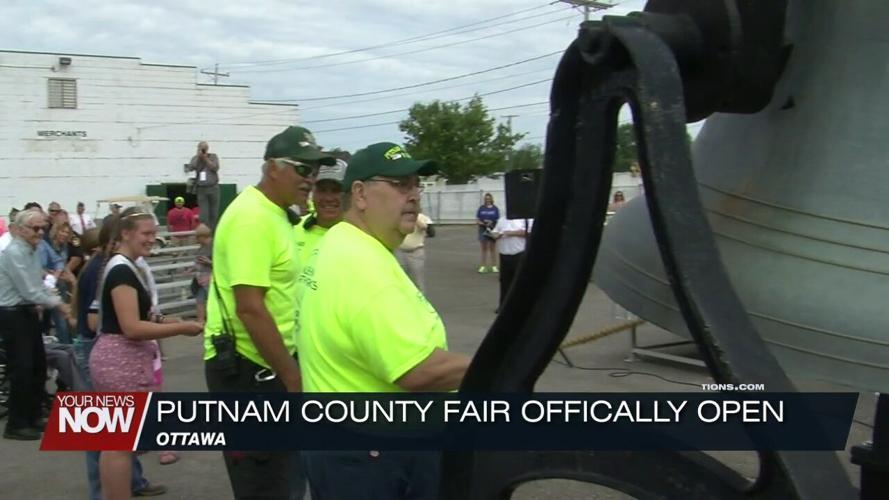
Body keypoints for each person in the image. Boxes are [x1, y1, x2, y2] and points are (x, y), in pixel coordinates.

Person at [296, 142, 471, 499]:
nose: (414, 195)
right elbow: (417, 371)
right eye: (400, 184)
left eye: (417, 185)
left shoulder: (339, 242)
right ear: (360, 194)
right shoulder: (363, 266)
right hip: (376, 457)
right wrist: (505, 363)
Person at [203, 125, 333, 500]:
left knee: (286, 479)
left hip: (268, 368)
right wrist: (292, 378)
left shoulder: (276, 214)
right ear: (272, 167)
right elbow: (250, 308)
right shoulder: (252, 217)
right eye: (303, 168)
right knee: (266, 485)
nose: (311, 179)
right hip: (251, 373)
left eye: (315, 170)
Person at [89, 210, 203, 499]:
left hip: (120, 359)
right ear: (126, 233)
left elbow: (142, 314)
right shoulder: (122, 271)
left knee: (118, 443)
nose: (152, 239)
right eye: (146, 233)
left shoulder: (126, 266)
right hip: (121, 361)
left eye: (154, 233)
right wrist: (180, 329)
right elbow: (131, 326)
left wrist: (171, 321)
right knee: (119, 445)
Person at [0, 210, 72, 440]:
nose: (40, 232)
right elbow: (29, 289)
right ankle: (17, 423)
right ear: (21, 230)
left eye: (43, 228)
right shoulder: (14, 253)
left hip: (28, 312)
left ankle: (32, 416)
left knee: (37, 367)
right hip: (14, 314)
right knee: (22, 368)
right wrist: (59, 305)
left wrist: (53, 299)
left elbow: (38, 285)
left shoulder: (31, 251)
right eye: (35, 228)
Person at [294, 159, 347, 263]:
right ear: (312, 193)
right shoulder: (293, 228)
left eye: (336, 190)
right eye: (322, 190)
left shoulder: (362, 235)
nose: (328, 198)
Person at [491, 216, 534, 308]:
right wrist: (495, 235)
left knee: (519, 281)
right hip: (504, 254)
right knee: (504, 282)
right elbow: (495, 231)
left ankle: (520, 305)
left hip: (519, 253)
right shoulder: (502, 219)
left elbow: (529, 232)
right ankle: (503, 306)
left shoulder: (524, 219)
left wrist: (510, 233)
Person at [396, 207, 432, 294]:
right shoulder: (399, 218)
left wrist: (416, 219)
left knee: (417, 280)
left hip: (415, 253)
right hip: (400, 252)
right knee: (400, 278)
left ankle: (420, 299)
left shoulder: (423, 218)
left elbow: (431, 232)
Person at [187, 141, 221, 230]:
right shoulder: (195, 158)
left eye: (204, 148)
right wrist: (199, 157)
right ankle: (204, 231)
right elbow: (191, 167)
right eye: (200, 148)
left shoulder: (213, 156)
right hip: (201, 189)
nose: (202, 150)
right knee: (203, 214)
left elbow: (215, 167)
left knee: (214, 213)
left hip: (213, 187)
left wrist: (205, 158)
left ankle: (213, 231)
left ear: (207, 148)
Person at [193, 223, 213, 323]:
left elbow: (222, 264)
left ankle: (212, 320)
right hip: (200, 280)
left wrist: (209, 262)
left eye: (198, 237)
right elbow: (198, 263)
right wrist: (192, 268)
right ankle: (201, 321)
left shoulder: (214, 247)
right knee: (199, 300)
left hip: (210, 279)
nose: (196, 239)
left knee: (211, 301)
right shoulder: (201, 248)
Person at [475, 193, 500, 273]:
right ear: (484, 200)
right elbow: (477, 219)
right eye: (486, 199)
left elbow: (497, 219)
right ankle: (483, 266)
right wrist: (482, 223)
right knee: (484, 248)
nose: (487, 200)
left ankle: (494, 266)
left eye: (489, 198)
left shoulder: (495, 209)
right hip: (483, 230)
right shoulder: (481, 208)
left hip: (492, 229)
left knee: (492, 248)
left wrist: (491, 222)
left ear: (491, 199)